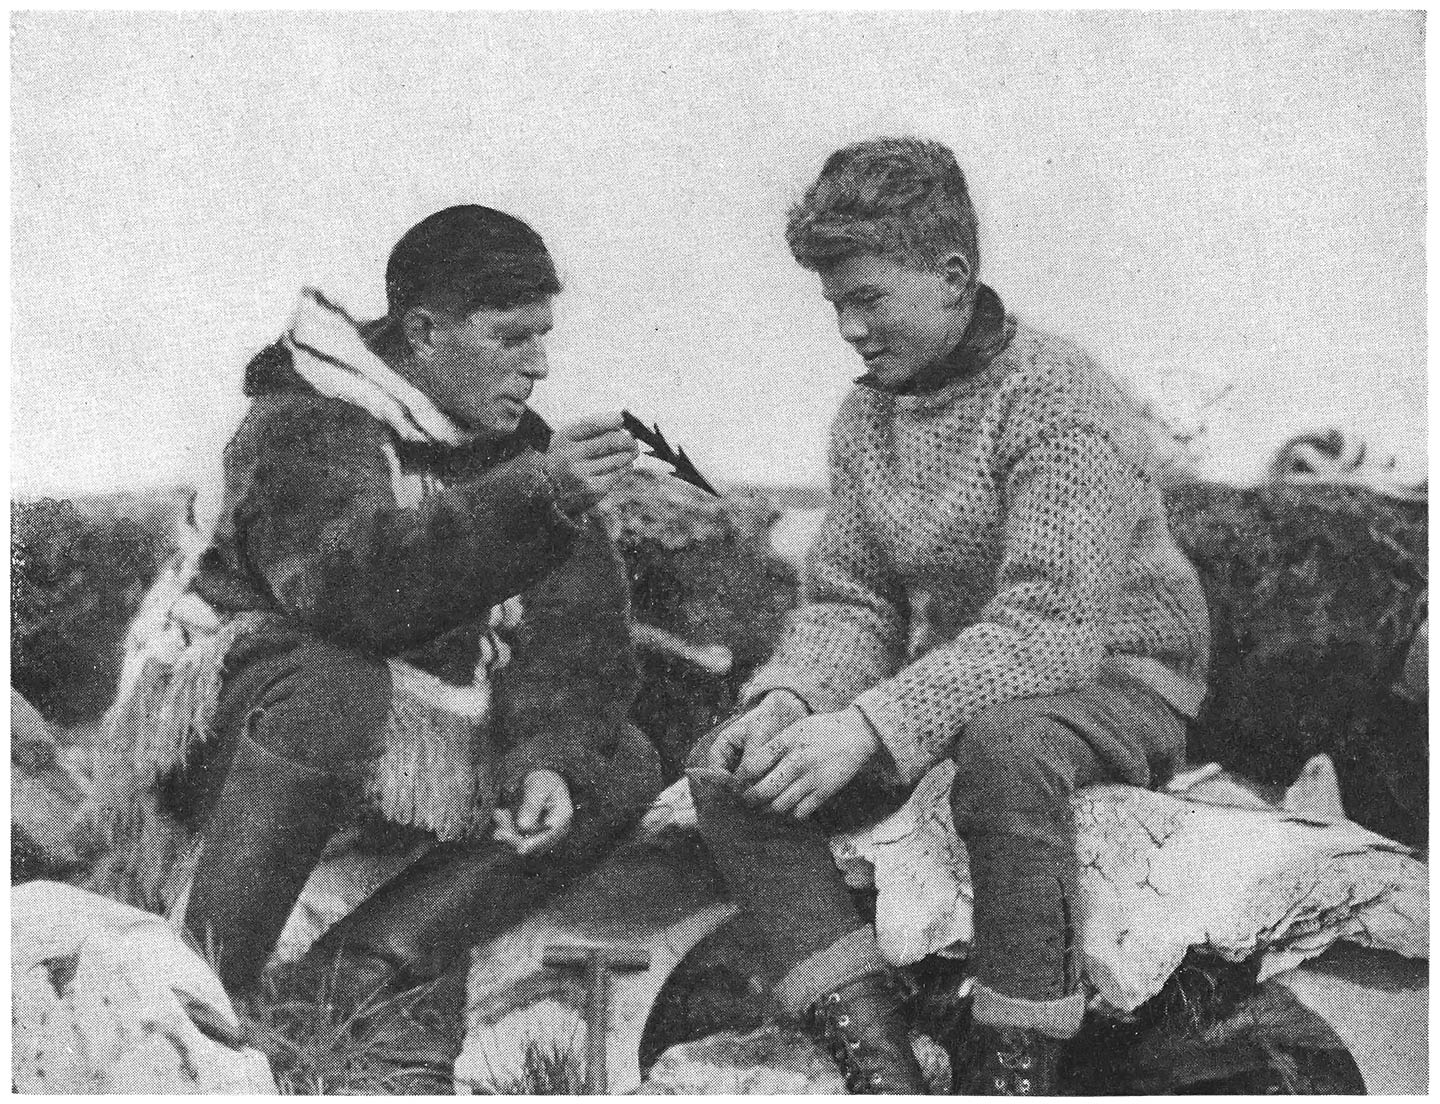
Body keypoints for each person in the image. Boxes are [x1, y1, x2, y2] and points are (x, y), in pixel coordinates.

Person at [688, 139, 1211, 1095]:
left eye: (868, 299)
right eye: (835, 305)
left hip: (1116, 680)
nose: (849, 328)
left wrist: (873, 726)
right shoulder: (865, 419)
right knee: (727, 770)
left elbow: (1051, 626)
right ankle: (881, 1065)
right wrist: (797, 699)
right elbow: (854, 602)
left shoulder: (1059, 398)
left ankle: (1013, 1066)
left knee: (1006, 750)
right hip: (962, 683)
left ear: (953, 276)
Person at [131, 204, 660, 1088]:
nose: (538, 364)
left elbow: (580, 643)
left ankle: (353, 975)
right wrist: (536, 496)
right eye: (509, 337)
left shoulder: (519, 447)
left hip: (389, 748)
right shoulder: (303, 418)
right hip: (236, 735)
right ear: (422, 331)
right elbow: (348, 594)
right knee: (334, 682)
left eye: (543, 337)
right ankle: (207, 1001)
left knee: (621, 759)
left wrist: (548, 759)